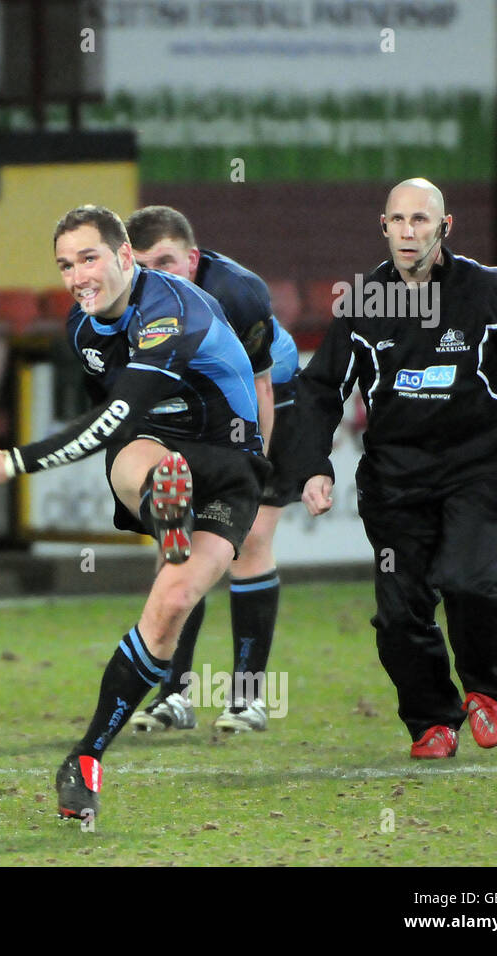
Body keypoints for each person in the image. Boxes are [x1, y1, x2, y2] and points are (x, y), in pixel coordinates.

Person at [0, 205, 270, 819]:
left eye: (89, 258)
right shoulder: (84, 330)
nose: (76, 276)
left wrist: (10, 463)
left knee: (171, 607)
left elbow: (111, 417)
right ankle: (163, 505)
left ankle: (86, 752)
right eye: (65, 265)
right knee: (137, 454)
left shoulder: (169, 310)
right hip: (153, 450)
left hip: (229, 463)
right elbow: (117, 426)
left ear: (124, 257)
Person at [295, 178, 497, 758]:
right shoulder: (367, 300)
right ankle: (431, 720)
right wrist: (313, 464)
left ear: (445, 228)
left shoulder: (488, 292)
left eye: (420, 220)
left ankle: (483, 687)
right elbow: (322, 388)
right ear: (384, 227)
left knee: (468, 581)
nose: (406, 231)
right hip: (395, 479)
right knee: (399, 615)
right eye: (396, 220)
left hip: (479, 466)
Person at [121, 205, 301, 734]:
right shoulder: (127, 300)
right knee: (178, 546)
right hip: (194, 412)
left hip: (272, 403)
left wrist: (252, 471)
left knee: (248, 545)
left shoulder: (239, 294)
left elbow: (261, 387)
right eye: (144, 266)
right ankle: (174, 696)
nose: (157, 275)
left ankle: (247, 698)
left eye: (168, 262)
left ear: (194, 259)